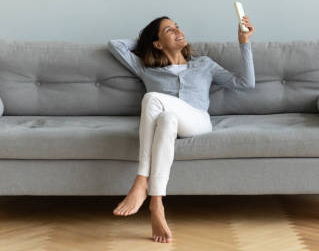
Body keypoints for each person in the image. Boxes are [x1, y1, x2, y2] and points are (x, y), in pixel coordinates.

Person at [107, 15, 255, 243]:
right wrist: (146, 40)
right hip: (170, 123)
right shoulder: (147, 68)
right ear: (157, 44)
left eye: (177, 26)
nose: (178, 31)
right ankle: (156, 204)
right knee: (166, 118)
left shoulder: (204, 64)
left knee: (152, 98)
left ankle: (140, 181)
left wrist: (244, 40)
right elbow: (114, 45)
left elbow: (246, 84)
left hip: (198, 121)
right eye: (169, 30)